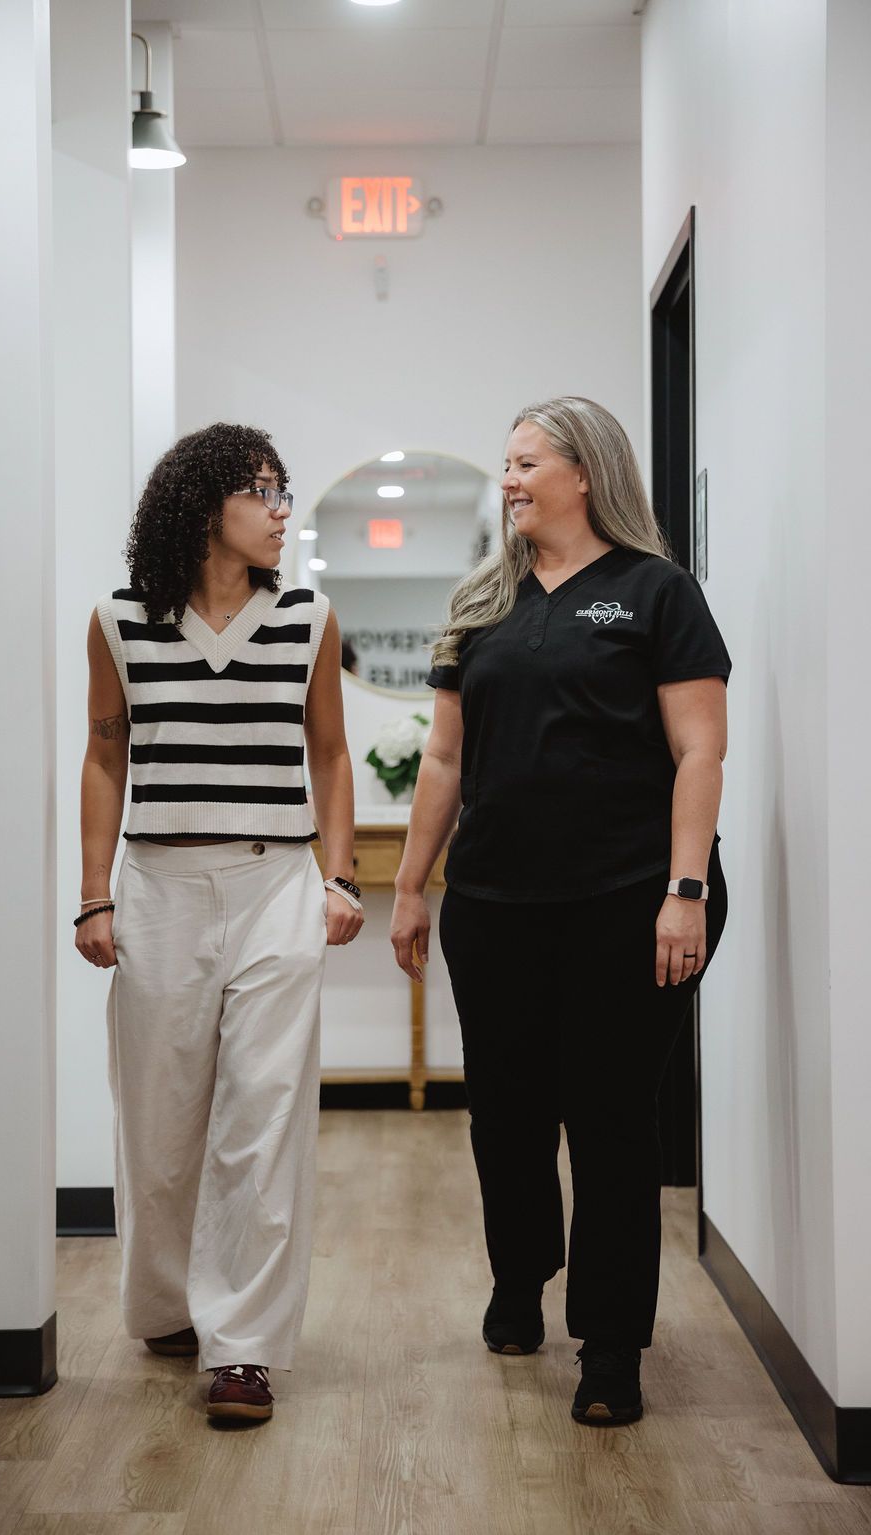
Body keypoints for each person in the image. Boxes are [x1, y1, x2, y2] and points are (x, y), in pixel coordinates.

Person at [390, 397, 730, 1426]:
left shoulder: (655, 592)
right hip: (494, 903)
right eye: (503, 464)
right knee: (504, 1115)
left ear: (584, 473)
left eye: (524, 461)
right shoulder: (480, 602)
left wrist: (685, 891)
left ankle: (612, 1345)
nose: (507, 479)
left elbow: (698, 751)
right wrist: (409, 884)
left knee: (614, 1119)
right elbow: (444, 757)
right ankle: (518, 1276)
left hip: (626, 901)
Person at [76, 423, 363, 1423]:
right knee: (160, 1116)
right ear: (207, 505)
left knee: (262, 1112)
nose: (284, 509)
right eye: (266, 491)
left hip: (275, 881)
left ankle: (242, 1344)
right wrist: (94, 892)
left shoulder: (308, 616)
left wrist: (341, 875)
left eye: (287, 492)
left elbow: (329, 752)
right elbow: (106, 755)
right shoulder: (117, 621)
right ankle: (164, 1302)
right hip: (157, 886)